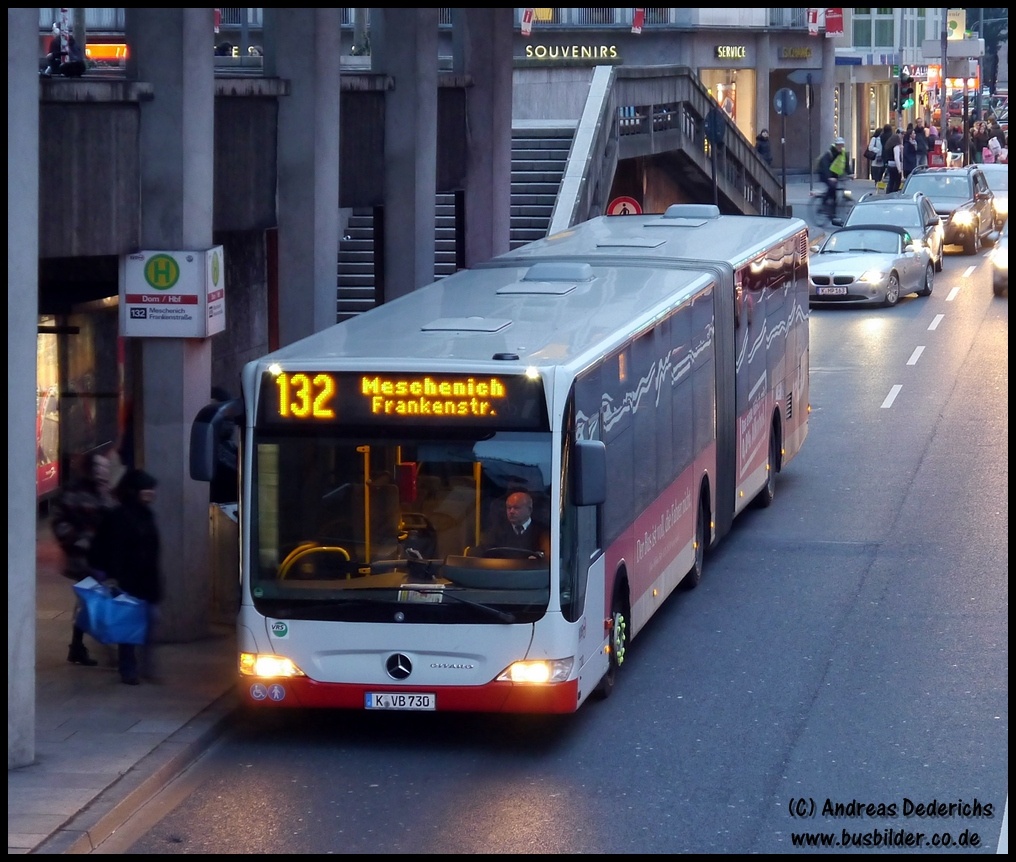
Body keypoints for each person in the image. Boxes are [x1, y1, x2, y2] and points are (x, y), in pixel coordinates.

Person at [88, 468, 163, 685]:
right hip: (126, 581)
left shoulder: (147, 515)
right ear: (135, 491)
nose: (151, 494)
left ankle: (145, 667)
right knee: (128, 627)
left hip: (146, 581)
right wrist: (111, 575)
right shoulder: (118, 517)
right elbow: (107, 548)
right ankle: (128, 668)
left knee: (147, 624)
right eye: (146, 490)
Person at [49, 449, 116, 666]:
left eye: (105, 468)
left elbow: (113, 519)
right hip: (83, 559)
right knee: (91, 601)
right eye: (97, 467)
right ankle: (102, 649)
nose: (102, 471)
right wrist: (79, 541)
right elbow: (59, 520)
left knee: (89, 602)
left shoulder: (104, 492)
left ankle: (78, 646)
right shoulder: (74, 492)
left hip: (103, 558)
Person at [482, 490, 550, 558]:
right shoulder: (497, 530)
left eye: (516, 508)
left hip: (533, 568)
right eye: (509, 508)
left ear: (529, 510)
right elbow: (484, 550)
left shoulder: (543, 532)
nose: (511, 511)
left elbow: (549, 556)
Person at [816, 137, 847, 216]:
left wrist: (851, 173)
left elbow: (846, 165)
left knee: (835, 193)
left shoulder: (843, 153)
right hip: (825, 174)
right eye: (839, 145)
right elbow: (825, 166)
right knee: (832, 188)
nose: (840, 147)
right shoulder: (829, 153)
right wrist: (829, 177)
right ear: (835, 145)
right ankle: (824, 204)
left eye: (842, 145)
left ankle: (832, 211)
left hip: (834, 175)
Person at [883, 128, 903, 193]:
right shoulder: (896, 147)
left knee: (891, 180)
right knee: (897, 182)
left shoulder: (889, 146)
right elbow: (897, 158)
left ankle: (888, 192)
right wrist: (899, 169)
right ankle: (893, 193)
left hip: (890, 164)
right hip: (895, 166)